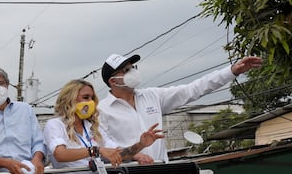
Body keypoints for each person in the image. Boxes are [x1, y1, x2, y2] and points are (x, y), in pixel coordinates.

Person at [98, 53, 262, 164]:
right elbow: (104, 151)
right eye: (126, 70)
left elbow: (194, 89)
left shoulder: (153, 96)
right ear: (113, 81)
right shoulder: (102, 111)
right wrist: (134, 155)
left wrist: (232, 71)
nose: (132, 72)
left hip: (162, 173)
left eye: (133, 68)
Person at [44, 79, 126, 174]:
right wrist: (95, 151)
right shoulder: (55, 124)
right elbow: (60, 154)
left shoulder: (92, 126)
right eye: (86, 97)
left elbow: (115, 151)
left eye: (92, 98)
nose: (90, 102)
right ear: (70, 99)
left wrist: (140, 146)